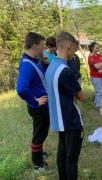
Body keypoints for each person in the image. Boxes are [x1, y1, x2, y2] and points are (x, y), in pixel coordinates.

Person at [45, 31, 86, 180]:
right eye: (74, 49)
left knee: (62, 154)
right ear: (68, 46)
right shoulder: (66, 71)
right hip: (71, 122)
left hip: (59, 120)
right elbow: (82, 97)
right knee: (72, 160)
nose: (74, 53)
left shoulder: (51, 66)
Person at [16, 32, 50, 170]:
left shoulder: (33, 60)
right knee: (39, 134)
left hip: (42, 106)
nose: (44, 48)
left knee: (41, 132)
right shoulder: (27, 65)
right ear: (35, 46)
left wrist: (44, 61)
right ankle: (38, 164)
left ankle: (39, 153)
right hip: (38, 107)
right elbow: (21, 89)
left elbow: (41, 75)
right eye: (42, 46)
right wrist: (36, 101)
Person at [88, 42, 102, 115]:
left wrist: (101, 65)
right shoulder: (91, 57)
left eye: (98, 47)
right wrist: (101, 65)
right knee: (99, 91)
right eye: (96, 47)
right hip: (95, 77)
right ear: (92, 48)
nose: (98, 48)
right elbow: (97, 67)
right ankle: (100, 107)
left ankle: (97, 104)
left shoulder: (100, 56)